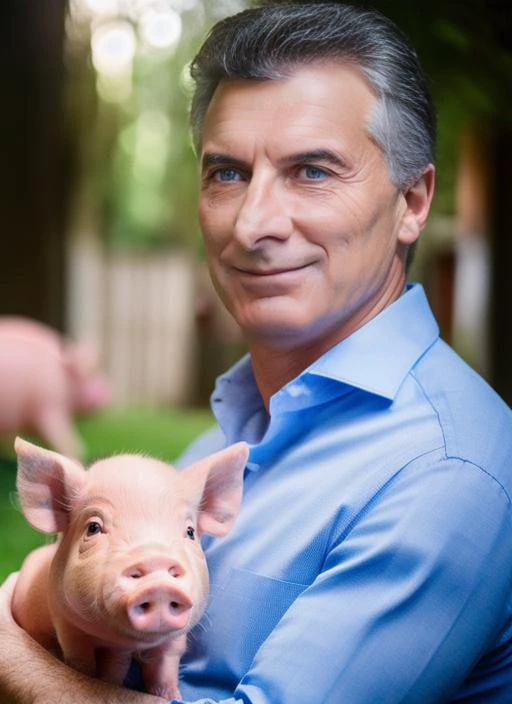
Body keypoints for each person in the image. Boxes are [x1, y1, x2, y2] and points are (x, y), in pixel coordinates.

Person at [1, 3, 511, 703]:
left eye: (312, 171)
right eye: (228, 174)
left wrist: (8, 656)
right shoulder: (216, 446)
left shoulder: (448, 470)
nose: (253, 224)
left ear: (413, 202)